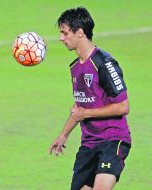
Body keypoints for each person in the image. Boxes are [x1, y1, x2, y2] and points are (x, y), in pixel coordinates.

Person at [49, 6, 131, 190]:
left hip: (113, 139)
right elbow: (81, 104)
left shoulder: (104, 63)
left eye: (64, 33)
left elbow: (123, 106)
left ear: (79, 32)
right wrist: (63, 135)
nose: (61, 38)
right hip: (89, 143)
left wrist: (86, 113)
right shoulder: (75, 68)